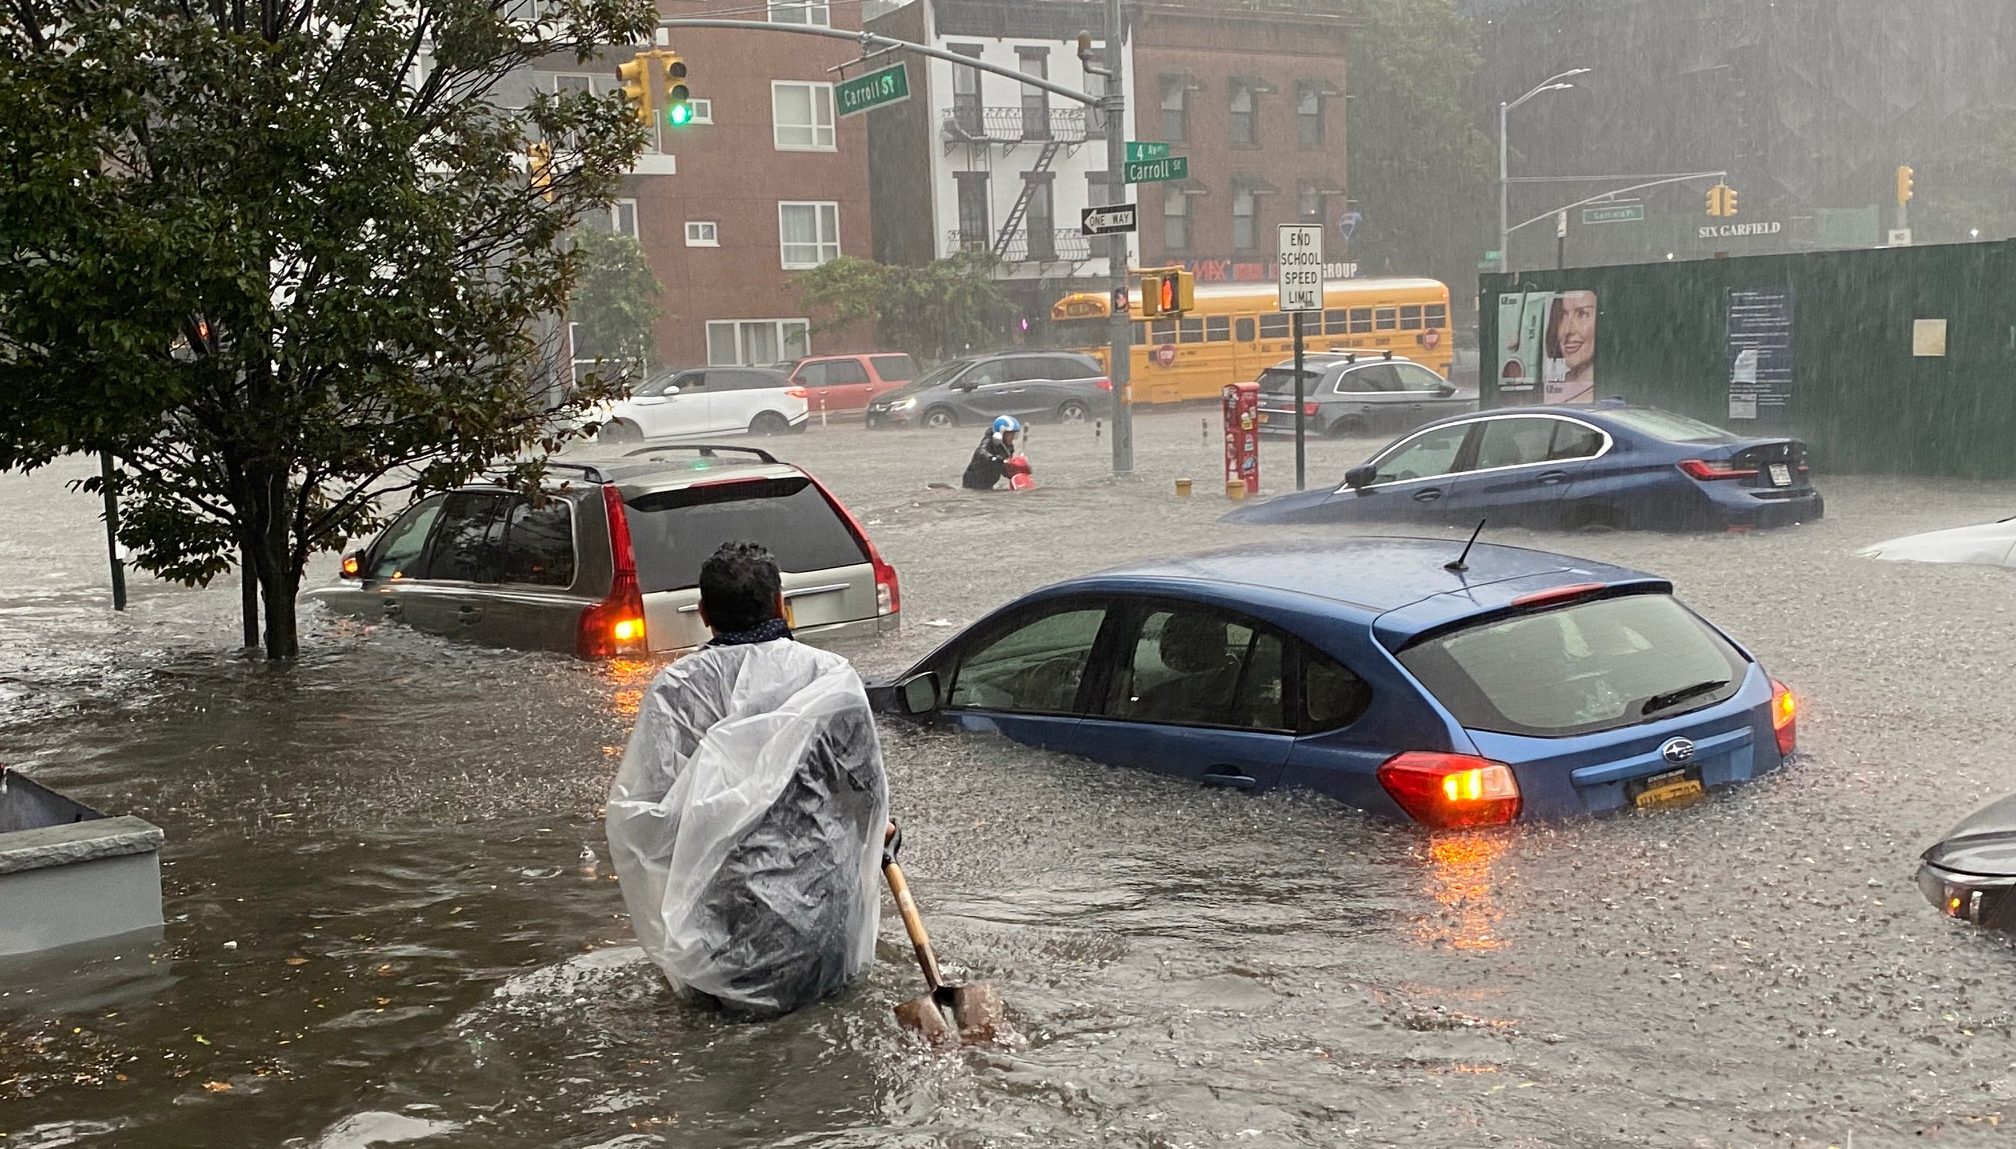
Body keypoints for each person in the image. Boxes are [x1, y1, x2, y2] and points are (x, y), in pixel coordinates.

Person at [605, 541, 893, 1017]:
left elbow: (647, 814)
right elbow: (864, 790)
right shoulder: (831, 677)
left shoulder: (678, 689)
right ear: (782, 605)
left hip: (722, 928)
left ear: (703, 613)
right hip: (823, 922)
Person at [1544, 290, 1597, 403]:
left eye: (1582, 314)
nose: (1567, 330)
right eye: (1563, 315)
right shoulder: (1551, 389)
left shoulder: (1620, 386)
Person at [962, 416, 1024, 490]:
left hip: (989, 483)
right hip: (973, 484)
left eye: (1014, 434)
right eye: (1010, 434)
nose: (1013, 437)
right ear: (1001, 434)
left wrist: (1015, 471)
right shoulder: (988, 442)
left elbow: (1004, 467)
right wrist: (993, 458)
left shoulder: (1009, 448)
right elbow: (980, 452)